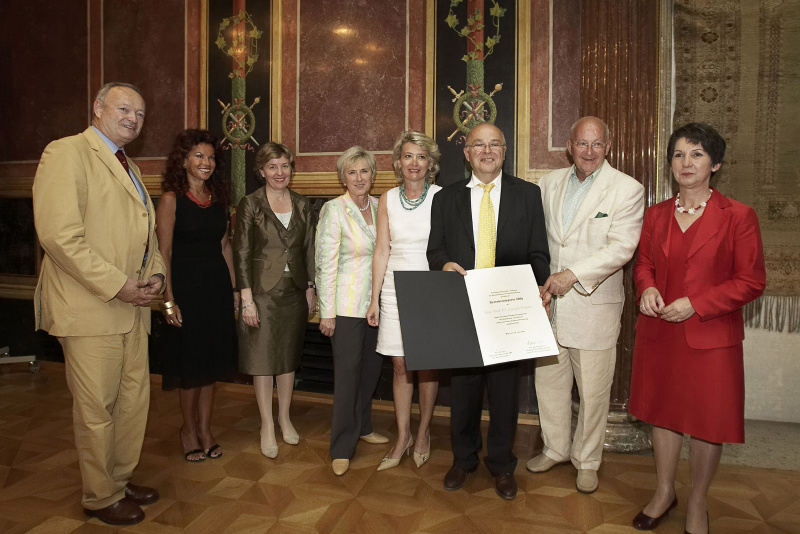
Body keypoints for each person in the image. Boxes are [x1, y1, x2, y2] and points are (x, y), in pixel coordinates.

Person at [32, 82, 165, 526]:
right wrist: (117, 285)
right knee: (96, 411)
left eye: (141, 114)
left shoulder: (130, 167)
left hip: (133, 309)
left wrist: (158, 274)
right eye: (124, 108)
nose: (133, 118)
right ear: (98, 107)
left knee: (132, 403)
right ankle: (99, 495)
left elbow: (147, 234)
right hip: (89, 307)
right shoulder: (66, 153)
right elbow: (59, 236)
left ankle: (120, 479)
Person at [629, 123, 765, 534]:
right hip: (661, 334)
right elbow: (643, 264)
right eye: (678, 155)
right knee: (663, 415)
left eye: (697, 154)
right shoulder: (655, 215)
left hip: (712, 337)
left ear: (715, 163)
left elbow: (751, 281)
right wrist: (647, 287)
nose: (686, 163)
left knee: (709, 422)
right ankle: (664, 491)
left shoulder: (738, 216)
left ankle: (698, 504)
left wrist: (697, 304)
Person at [427, 122, 550, 500]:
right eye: (477, 144)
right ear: (465, 153)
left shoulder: (528, 195)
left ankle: (501, 463)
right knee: (462, 390)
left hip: (507, 311)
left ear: (504, 150)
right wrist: (445, 265)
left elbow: (539, 253)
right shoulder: (444, 198)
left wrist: (532, 292)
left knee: (504, 392)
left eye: (493, 144)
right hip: (462, 307)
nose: (486, 150)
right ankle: (463, 460)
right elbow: (435, 251)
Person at [528, 116, 645, 494]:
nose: (589, 152)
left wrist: (572, 275)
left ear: (608, 146)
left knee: (593, 391)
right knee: (549, 382)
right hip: (548, 305)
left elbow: (621, 248)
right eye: (582, 144)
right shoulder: (548, 185)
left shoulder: (626, 189)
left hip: (593, 305)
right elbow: (540, 241)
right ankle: (556, 448)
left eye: (597, 144)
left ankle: (587, 460)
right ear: (569, 146)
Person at [155, 129, 238, 463]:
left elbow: (225, 245)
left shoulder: (218, 199)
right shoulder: (171, 199)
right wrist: (167, 299)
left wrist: (233, 290)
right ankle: (188, 431)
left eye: (211, 157)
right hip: (185, 291)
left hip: (216, 288)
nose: (206, 163)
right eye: (199, 156)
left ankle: (206, 429)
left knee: (210, 364)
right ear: (184, 160)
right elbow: (164, 251)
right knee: (190, 367)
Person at [233, 142, 316, 459]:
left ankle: (284, 417)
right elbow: (241, 252)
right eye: (272, 167)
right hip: (261, 293)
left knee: (287, 356)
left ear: (292, 168)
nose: (279, 172)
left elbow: (308, 247)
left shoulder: (303, 203)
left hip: (294, 291)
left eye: (285, 166)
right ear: (262, 171)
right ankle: (266, 423)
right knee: (262, 360)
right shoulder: (250, 204)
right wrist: (246, 298)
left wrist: (310, 287)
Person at [366, 131, 442, 471]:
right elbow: (382, 249)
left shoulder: (442, 197)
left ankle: (423, 433)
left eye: (421, 157)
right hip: (395, 290)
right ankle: (403, 436)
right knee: (399, 365)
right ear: (398, 162)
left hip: (430, 288)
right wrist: (374, 299)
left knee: (426, 365)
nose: (414, 163)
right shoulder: (386, 199)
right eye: (408, 156)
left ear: (431, 164)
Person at [316, 146, 388, 476]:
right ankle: (342, 445)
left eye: (365, 171)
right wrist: (326, 313)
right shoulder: (334, 210)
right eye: (352, 172)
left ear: (373, 175)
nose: (359, 178)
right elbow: (325, 264)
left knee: (371, 372)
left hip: (379, 303)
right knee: (347, 377)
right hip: (345, 306)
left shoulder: (380, 206)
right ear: (343, 176)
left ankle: (363, 426)